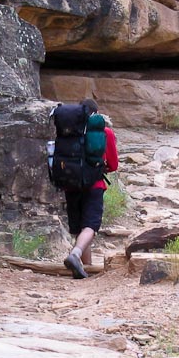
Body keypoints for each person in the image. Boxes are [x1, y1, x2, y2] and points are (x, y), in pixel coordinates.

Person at [63, 99, 119, 279]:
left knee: (79, 226)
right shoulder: (105, 132)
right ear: (97, 113)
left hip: (71, 184)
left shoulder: (68, 132)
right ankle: (76, 253)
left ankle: (83, 266)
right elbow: (113, 164)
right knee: (91, 226)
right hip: (94, 185)